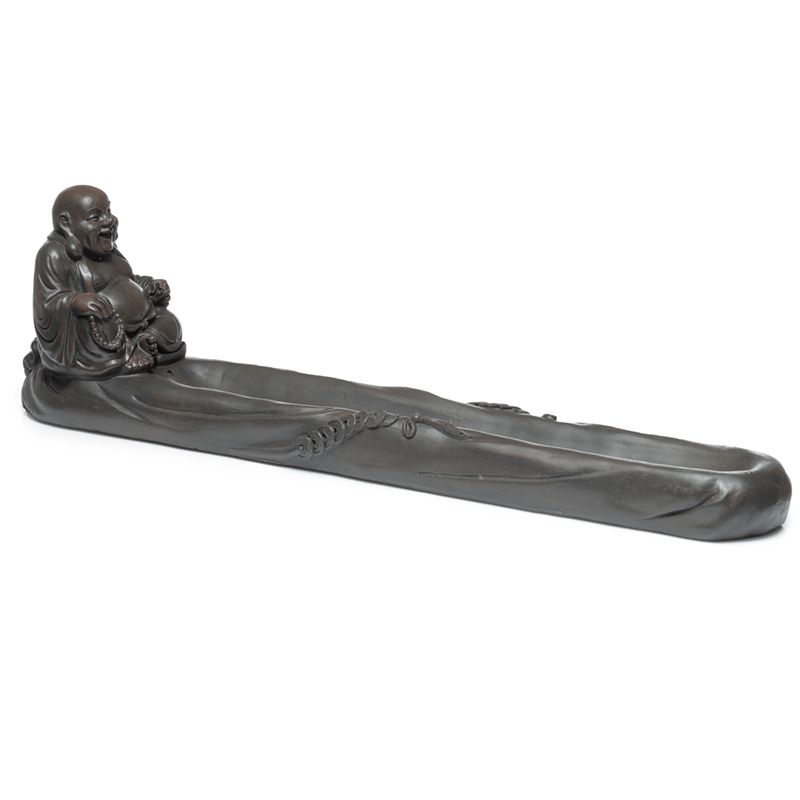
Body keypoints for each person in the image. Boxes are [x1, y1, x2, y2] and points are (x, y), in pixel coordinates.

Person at [30, 185, 184, 379]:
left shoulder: (105, 247)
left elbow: (128, 280)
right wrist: (75, 301)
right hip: (101, 331)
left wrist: (150, 287)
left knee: (168, 321)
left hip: (137, 322)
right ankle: (125, 354)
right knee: (90, 327)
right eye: (95, 217)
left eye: (108, 211)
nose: (109, 220)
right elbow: (48, 304)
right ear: (65, 223)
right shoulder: (54, 254)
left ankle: (143, 342)